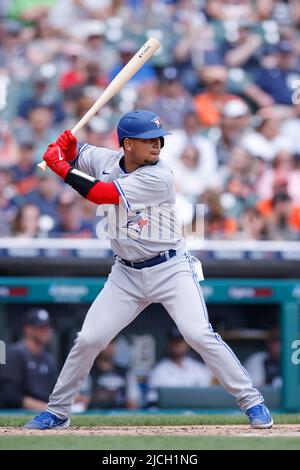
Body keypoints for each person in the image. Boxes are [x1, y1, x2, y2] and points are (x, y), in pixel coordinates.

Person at [24, 109, 273, 430]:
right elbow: (77, 151)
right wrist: (64, 145)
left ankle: (252, 401)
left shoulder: (160, 176)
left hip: (170, 268)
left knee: (198, 334)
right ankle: (58, 410)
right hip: (126, 274)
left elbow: (101, 194)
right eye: (147, 139)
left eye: (158, 138)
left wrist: (60, 166)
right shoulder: (106, 160)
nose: (157, 144)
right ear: (127, 144)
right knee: (88, 339)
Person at [0, 309, 57, 411]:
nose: (46, 331)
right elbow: (10, 395)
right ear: (28, 329)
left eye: (47, 327)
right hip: (18, 413)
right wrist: (45, 408)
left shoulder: (48, 357)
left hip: (45, 410)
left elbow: (53, 389)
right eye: (41, 327)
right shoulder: (16, 353)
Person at [147, 327, 212, 406]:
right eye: (173, 341)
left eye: (179, 341)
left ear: (187, 343)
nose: (176, 345)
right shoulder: (159, 372)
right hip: (171, 414)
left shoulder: (200, 369)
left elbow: (208, 397)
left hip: (197, 412)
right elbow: (152, 402)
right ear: (168, 343)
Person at [74, 341, 140, 411]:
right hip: (95, 413)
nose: (111, 347)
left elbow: (133, 403)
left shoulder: (125, 372)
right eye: (108, 343)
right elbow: (81, 402)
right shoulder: (87, 371)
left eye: (113, 343)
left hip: (121, 414)